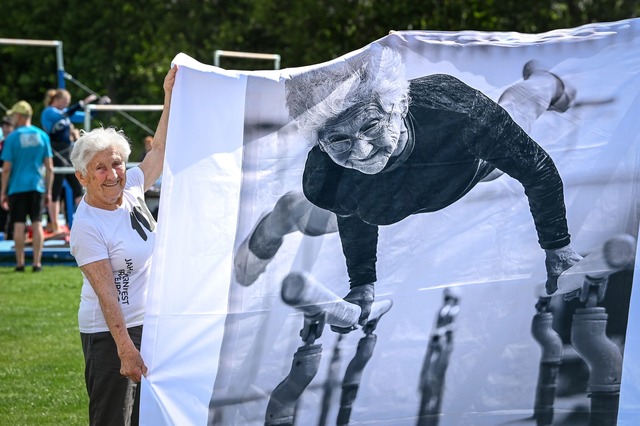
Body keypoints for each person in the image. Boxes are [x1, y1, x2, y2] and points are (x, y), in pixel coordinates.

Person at [233, 45, 582, 329]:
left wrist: (557, 247)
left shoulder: (460, 112)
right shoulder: (327, 170)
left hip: (468, 167)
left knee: (518, 110)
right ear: (321, 144)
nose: (362, 151)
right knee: (303, 213)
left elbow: (537, 170)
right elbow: (353, 216)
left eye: (371, 126)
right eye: (339, 139)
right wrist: (363, 285)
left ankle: (545, 80)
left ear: (399, 107)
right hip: (385, 198)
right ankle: (275, 221)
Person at [68, 65, 176, 426]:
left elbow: (159, 148)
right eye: (100, 168)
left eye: (116, 163)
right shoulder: (87, 225)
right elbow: (107, 294)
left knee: (146, 418)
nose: (112, 174)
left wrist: (170, 95)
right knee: (113, 418)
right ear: (82, 177)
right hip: (109, 333)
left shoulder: (130, 185)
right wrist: (125, 348)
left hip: (148, 324)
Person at [41, 89, 109, 234]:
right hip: (56, 152)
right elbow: (64, 115)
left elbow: (85, 116)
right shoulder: (49, 112)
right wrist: (82, 103)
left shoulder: (66, 113)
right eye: (66, 100)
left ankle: (88, 221)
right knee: (56, 189)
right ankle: (54, 225)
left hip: (68, 154)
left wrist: (98, 106)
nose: (67, 103)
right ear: (57, 99)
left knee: (78, 187)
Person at [0, 101, 54, 271]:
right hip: (37, 185)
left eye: (14, 115)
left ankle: (20, 263)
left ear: (20, 116)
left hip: (17, 186)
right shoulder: (42, 136)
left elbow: (7, 168)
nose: (12, 119)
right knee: (37, 222)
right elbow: (50, 167)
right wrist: (49, 191)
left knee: (18, 223)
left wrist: (3, 192)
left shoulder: (13, 138)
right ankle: (37, 263)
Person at [0, 115, 15, 237]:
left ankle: (10, 233)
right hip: (3, 180)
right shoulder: (2, 144)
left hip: (14, 181)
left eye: (9, 126)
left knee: (12, 208)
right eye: (4, 126)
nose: (6, 129)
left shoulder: (15, 144)